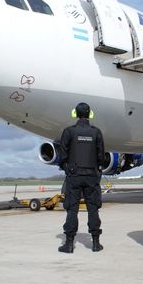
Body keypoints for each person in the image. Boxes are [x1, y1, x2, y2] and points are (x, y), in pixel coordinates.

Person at [57, 102, 105, 253]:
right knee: (93, 209)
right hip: (91, 175)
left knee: (72, 209)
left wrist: (67, 168)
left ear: (75, 114)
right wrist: (97, 169)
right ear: (90, 114)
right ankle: (96, 244)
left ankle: (69, 244)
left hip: (74, 175)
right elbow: (101, 156)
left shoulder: (69, 132)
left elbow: (63, 155)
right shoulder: (96, 132)